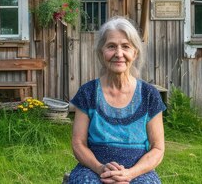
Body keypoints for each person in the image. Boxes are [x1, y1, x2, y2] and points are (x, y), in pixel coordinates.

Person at [68, 16, 166, 183]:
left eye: (126, 47)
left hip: (138, 171)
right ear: (101, 52)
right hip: (93, 168)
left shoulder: (150, 95)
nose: (119, 54)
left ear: (134, 53)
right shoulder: (88, 93)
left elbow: (157, 148)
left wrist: (129, 174)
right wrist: (101, 169)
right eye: (111, 46)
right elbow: (78, 144)